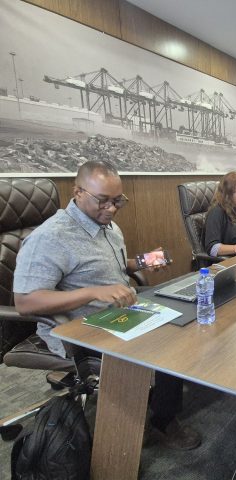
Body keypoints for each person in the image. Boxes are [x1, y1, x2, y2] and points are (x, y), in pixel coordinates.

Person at [13, 160, 201, 450]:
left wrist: (143, 262)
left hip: (119, 310)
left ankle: (159, 393)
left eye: (117, 201)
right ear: (78, 192)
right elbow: (25, 302)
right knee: (166, 343)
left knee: (182, 312)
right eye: (102, 200)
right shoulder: (51, 237)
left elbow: (111, 270)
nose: (111, 209)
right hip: (77, 327)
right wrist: (93, 293)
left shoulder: (107, 226)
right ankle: (162, 421)